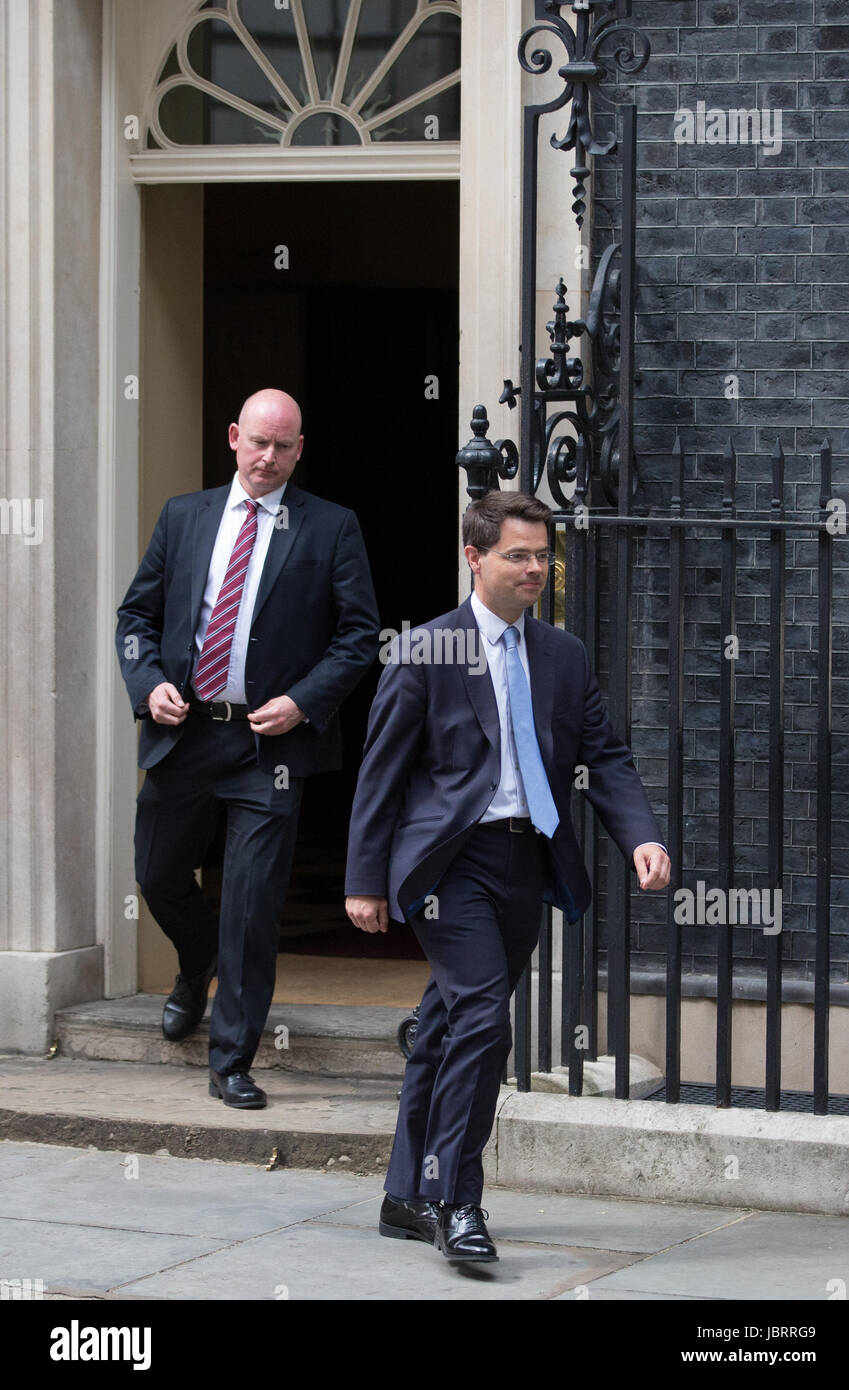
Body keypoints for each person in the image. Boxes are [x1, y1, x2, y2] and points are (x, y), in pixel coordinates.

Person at [344, 489, 669, 1262]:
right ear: (475, 557)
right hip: (448, 869)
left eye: (541, 554)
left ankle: (402, 1193)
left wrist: (641, 838)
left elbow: (607, 754)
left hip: (529, 862)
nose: (535, 568)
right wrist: (364, 880)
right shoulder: (426, 650)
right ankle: (459, 1200)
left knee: (449, 1026)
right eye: (518, 554)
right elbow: (379, 776)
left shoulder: (562, 654)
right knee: (486, 1022)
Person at [117, 389, 379, 1109]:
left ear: (300, 450)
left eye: (284, 446)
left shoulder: (330, 527)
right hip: (186, 731)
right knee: (158, 873)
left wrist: (304, 701)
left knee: (252, 903)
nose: (268, 458)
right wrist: (148, 687)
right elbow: (136, 615)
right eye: (258, 442)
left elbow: (359, 636)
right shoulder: (184, 516)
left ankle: (231, 1059)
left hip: (273, 748)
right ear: (234, 438)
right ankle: (194, 958)